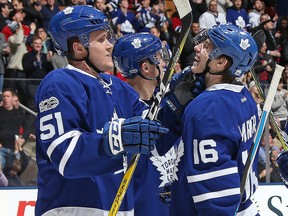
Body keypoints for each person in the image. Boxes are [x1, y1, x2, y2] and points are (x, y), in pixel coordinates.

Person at [35, 5, 169, 215]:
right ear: (78, 47)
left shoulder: (116, 86)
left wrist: (177, 105)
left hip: (119, 209)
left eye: (108, 38)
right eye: (101, 40)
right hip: (73, 209)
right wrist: (117, 139)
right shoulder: (60, 82)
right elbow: (65, 155)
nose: (109, 46)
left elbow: (152, 133)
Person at [167, 24, 260, 215]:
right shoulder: (245, 96)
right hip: (246, 207)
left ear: (221, 63)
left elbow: (217, 195)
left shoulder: (206, 109)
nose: (197, 47)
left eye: (207, 46)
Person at [113, 32, 171, 215]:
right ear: (146, 68)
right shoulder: (121, 110)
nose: (164, 64)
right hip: (143, 208)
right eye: (160, 59)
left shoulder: (167, 103)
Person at [0, 88, 29, 171]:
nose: (5, 98)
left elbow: (27, 128)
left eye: (8, 96)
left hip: (14, 148)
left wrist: (23, 138)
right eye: (4, 96)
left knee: (24, 163)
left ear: (12, 98)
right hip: (1, 148)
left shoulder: (19, 113)